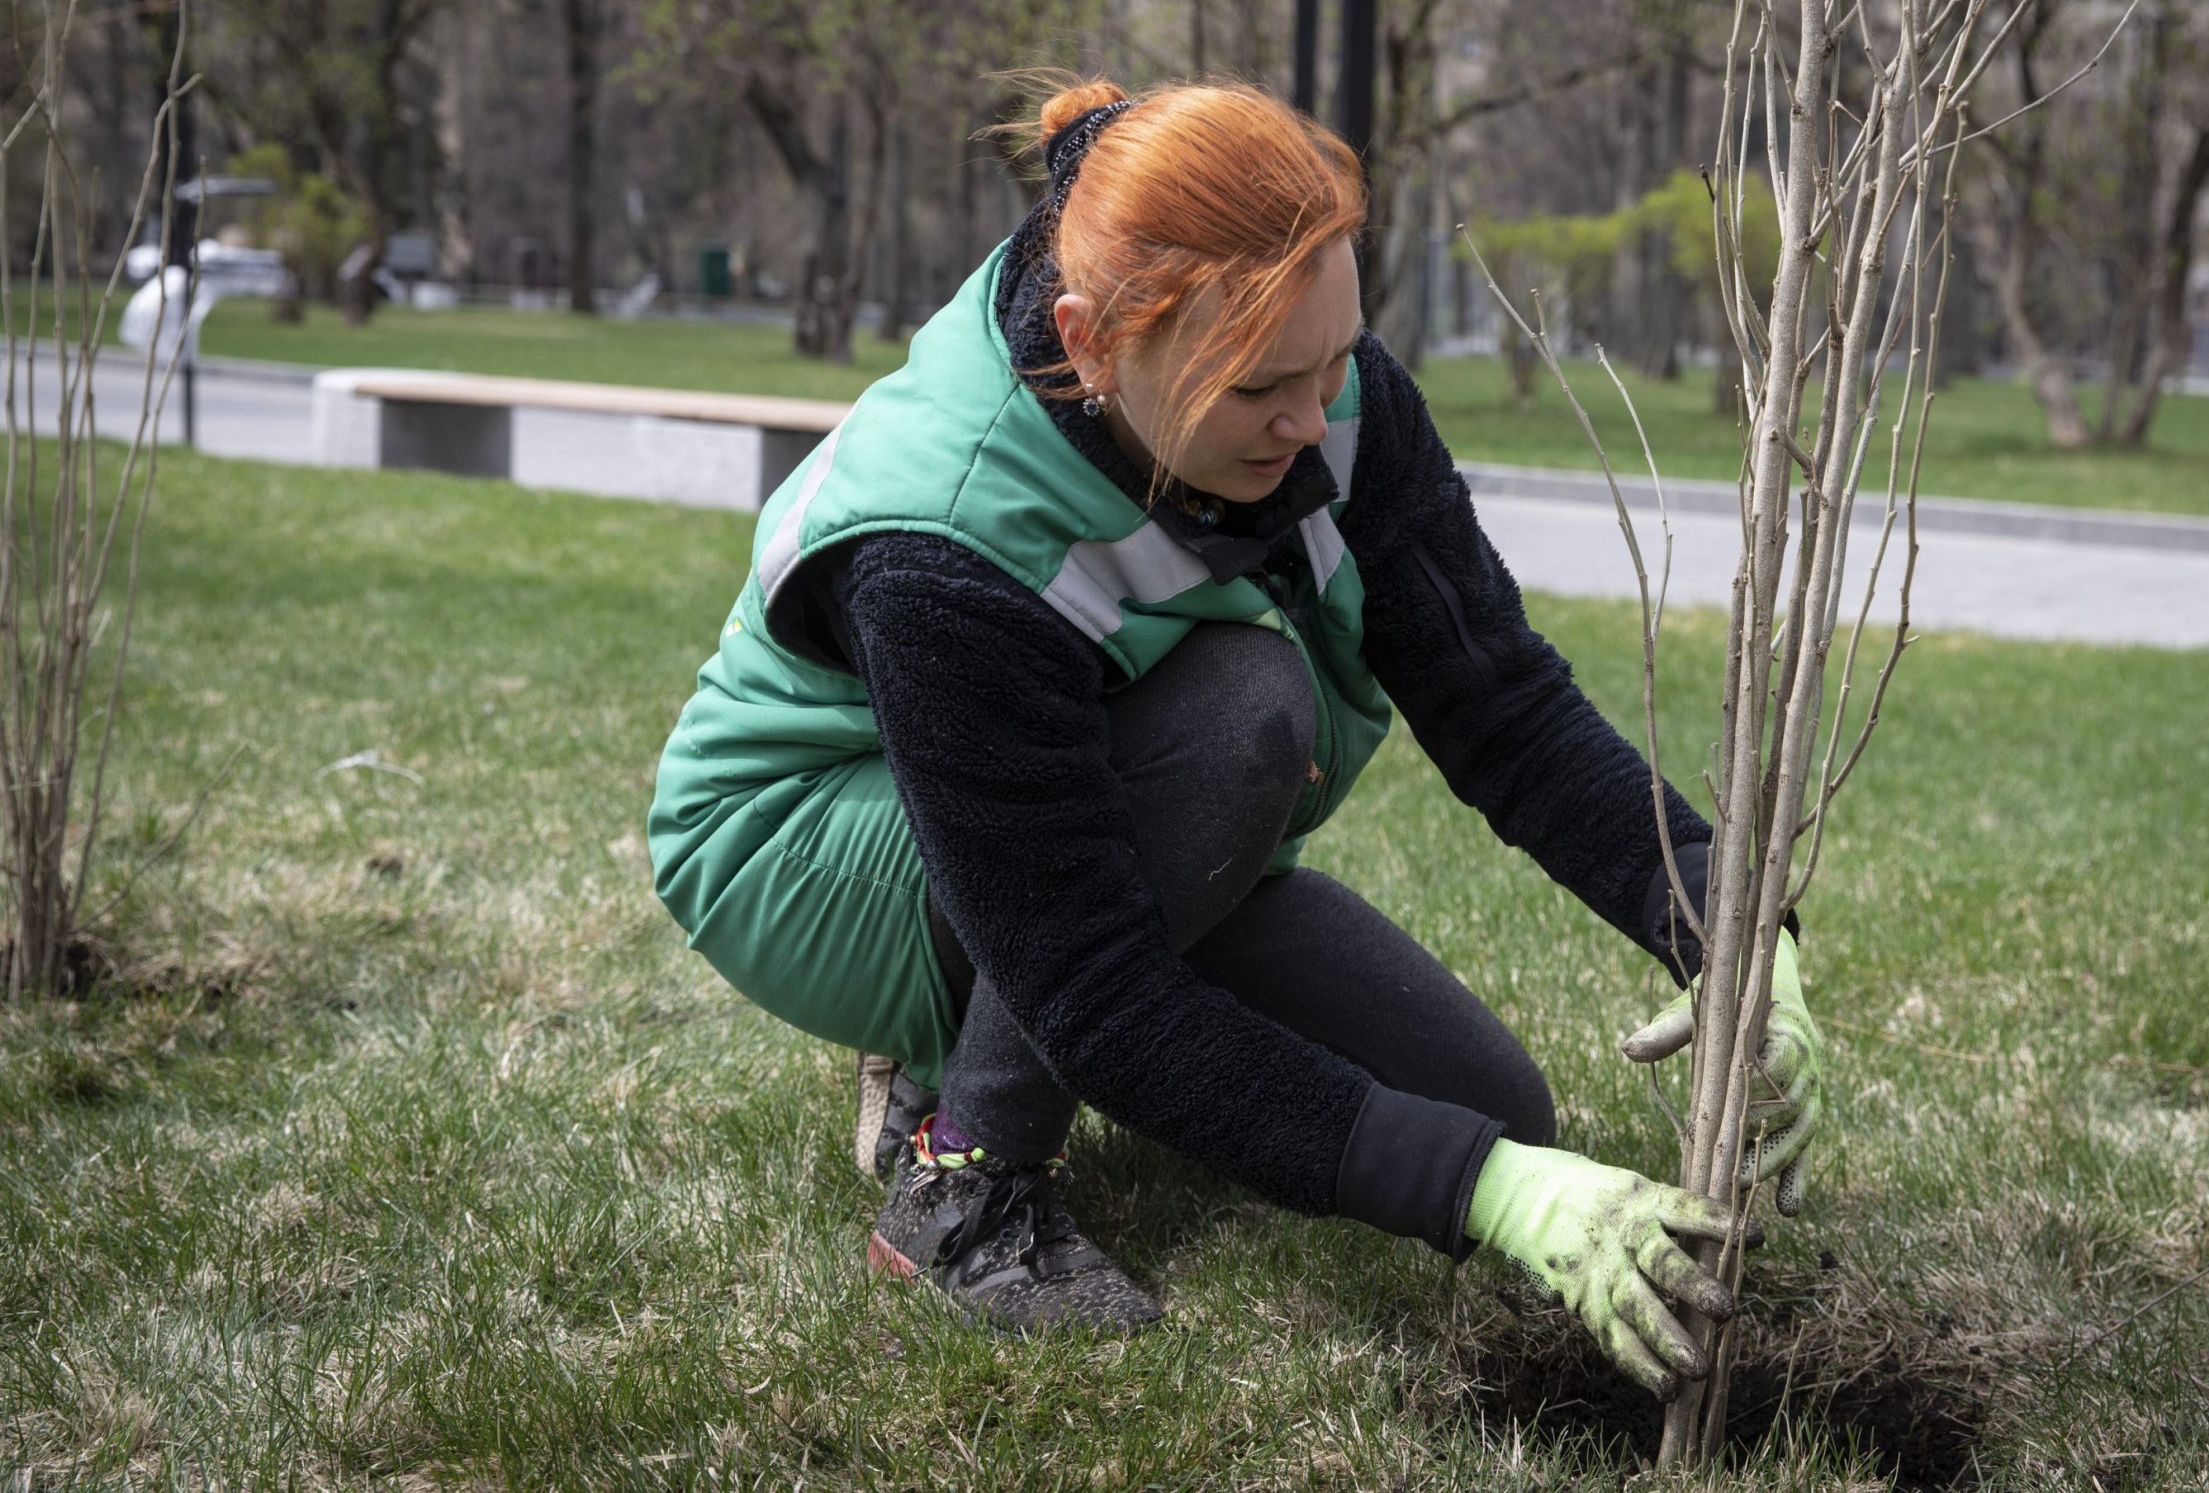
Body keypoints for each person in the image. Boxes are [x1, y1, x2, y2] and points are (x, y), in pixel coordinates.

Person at [646, 74, 1828, 1399]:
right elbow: (1100, 996)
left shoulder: (1323, 389)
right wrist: (1479, 1195)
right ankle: (959, 1176)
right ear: (1094, 344)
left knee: (1494, 1110)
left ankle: (983, 1013)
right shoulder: (944, 549)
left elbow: (1499, 697)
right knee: (1242, 715)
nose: (1318, 421)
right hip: (806, 839)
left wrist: (1727, 923)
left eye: (1335, 362)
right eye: (1267, 386)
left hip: (1085, 806)